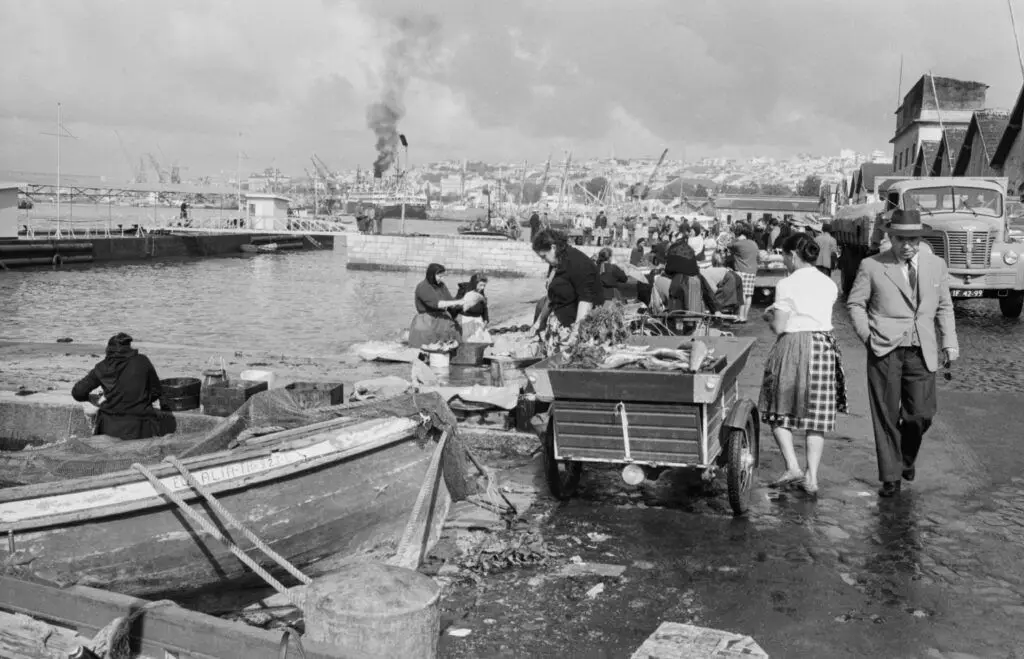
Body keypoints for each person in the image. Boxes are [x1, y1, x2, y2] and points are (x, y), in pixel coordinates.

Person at [846, 209, 959, 498]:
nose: (907, 245)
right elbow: (856, 304)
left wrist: (949, 343)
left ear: (920, 239)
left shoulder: (936, 265)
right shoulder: (872, 265)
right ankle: (891, 477)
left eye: (913, 240)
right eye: (900, 239)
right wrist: (867, 336)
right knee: (885, 414)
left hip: (922, 349)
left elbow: (944, 306)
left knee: (921, 414)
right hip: (884, 349)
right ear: (891, 238)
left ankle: (906, 458)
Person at [759, 234, 847, 496]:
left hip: (793, 345)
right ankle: (812, 477)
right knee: (816, 418)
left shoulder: (786, 284)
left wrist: (767, 316)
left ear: (793, 255)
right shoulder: (829, 283)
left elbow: (779, 326)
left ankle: (793, 466)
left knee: (777, 409)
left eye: (784, 256)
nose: (784, 261)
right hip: (823, 347)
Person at [71, 333, 165, 440]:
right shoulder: (142, 361)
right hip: (142, 427)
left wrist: (93, 399)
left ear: (109, 350)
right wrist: (141, 399)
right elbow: (156, 391)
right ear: (129, 347)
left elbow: (78, 392)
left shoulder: (103, 367)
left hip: (110, 429)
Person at [530, 229, 603, 355]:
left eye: (544, 256)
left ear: (553, 247)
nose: (543, 260)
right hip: (558, 326)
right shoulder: (556, 261)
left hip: (573, 328)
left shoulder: (579, 263)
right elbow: (552, 296)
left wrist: (575, 333)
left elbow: (586, 301)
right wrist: (539, 322)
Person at [408, 263, 463, 348]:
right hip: (427, 319)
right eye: (440, 276)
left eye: (443, 276)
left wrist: (462, 303)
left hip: (442, 318)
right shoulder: (423, 286)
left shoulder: (441, 285)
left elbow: (449, 300)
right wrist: (457, 302)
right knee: (428, 344)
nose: (442, 279)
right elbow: (437, 304)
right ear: (431, 275)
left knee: (452, 340)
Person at [729, 224, 760, 323]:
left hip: (741, 271)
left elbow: (728, 245)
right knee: (749, 295)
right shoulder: (754, 243)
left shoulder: (737, 244)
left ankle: (740, 316)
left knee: (741, 294)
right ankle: (745, 317)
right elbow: (758, 257)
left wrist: (735, 239)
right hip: (752, 271)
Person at [455, 273, 489, 340]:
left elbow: (484, 308)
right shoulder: (464, 290)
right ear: (475, 283)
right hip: (466, 318)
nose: (482, 287)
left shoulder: (481, 291)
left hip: (478, 319)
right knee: (468, 339)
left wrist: (485, 320)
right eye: (481, 285)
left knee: (483, 339)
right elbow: (456, 306)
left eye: (484, 285)